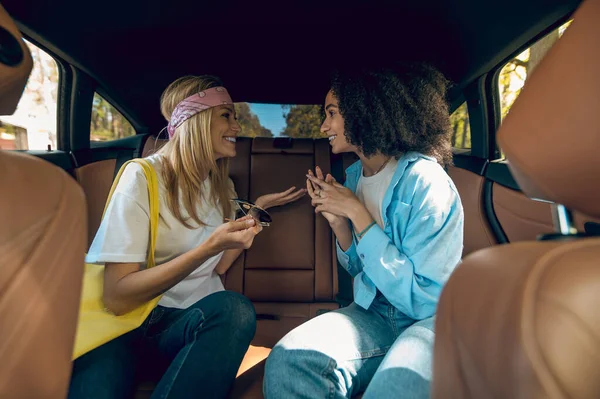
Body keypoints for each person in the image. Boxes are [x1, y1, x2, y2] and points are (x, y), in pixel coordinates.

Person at [68, 75, 305, 399]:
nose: (237, 127)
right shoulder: (142, 177)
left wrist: (256, 212)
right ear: (194, 120)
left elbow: (217, 267)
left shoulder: (222, 188)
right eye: (226, 115)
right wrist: (208, 246)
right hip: (122, 326)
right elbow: (117, 297)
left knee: (235, 310)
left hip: (181, 325)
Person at [263, 63, 464, 398]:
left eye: (331, 113)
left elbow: (426, 300)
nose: (324, 125)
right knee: (289, 360)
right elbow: (359, 268)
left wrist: (358, 214)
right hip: (373, 312)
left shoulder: (427, 184)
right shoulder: (355, 176)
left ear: (364, 110)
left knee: (393, 386)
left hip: (429, 321)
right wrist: (340, 222)